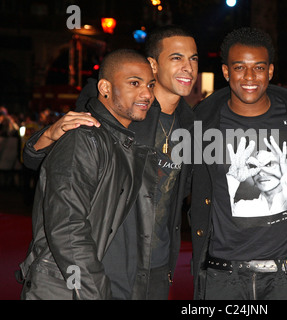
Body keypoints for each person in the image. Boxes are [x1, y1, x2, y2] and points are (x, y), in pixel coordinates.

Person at [21, 25, 198, 299]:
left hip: (158, 268)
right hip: (107, 264)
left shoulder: (193, 124)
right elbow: (58, 175)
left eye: (194, 59)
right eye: (177, 58)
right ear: (153, 63)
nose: (188, 67)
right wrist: (47, 135)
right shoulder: (115, 115)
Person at [18, 49, 156, 299]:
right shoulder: (85, 138)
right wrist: (95, 291)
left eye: (150, 85)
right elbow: (67, 227)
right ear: (104, 87)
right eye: (134, 83)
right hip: (65, 288)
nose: (147, 94)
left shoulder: (120, 141)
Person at [189, 27, 287, 300]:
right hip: (223, 277)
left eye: (259, 67)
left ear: (270, 71)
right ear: (226, 72)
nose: (250, 77)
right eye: (240, 67)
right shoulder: (203, 124)